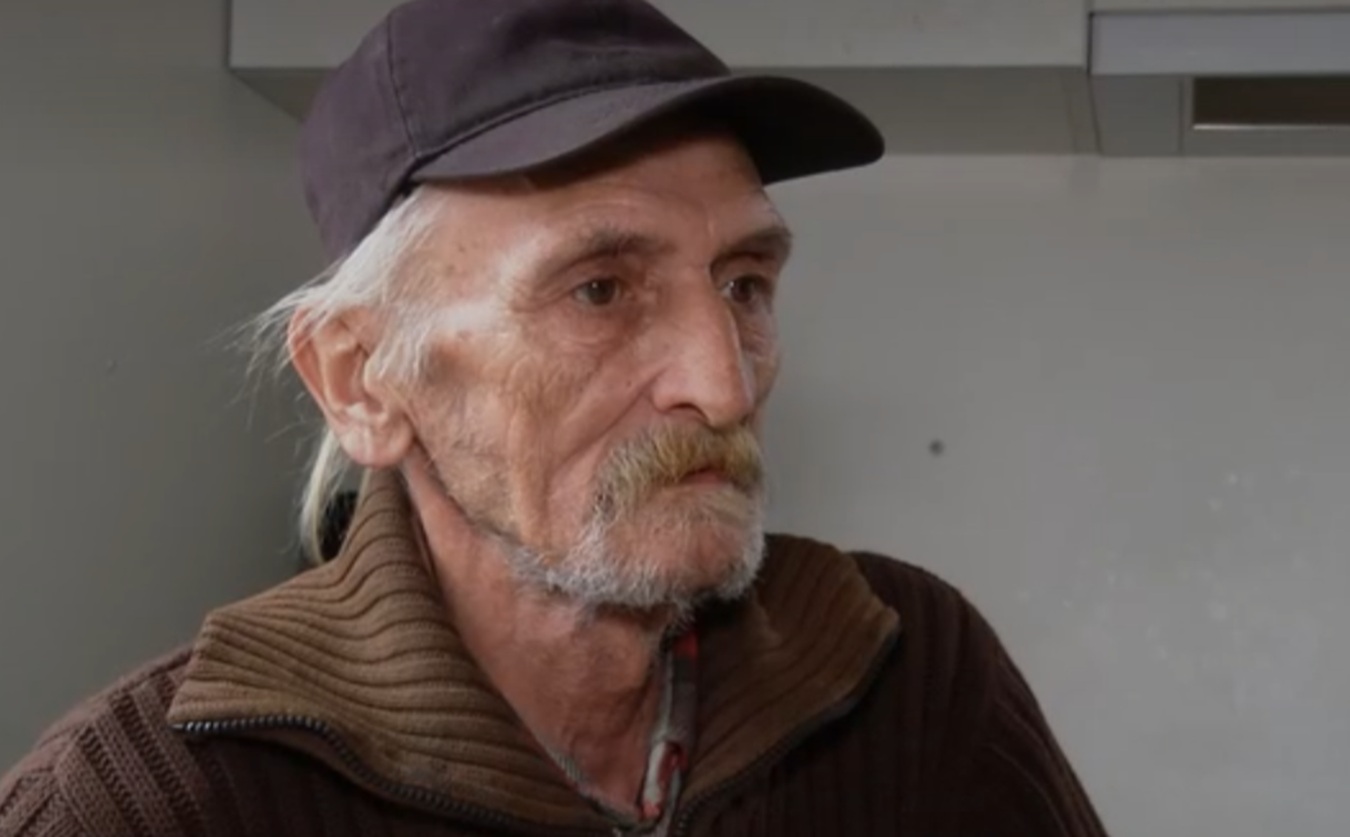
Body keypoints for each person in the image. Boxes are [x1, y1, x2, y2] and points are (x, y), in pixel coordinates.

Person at [0, 1, 1108, 834]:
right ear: (361, 379)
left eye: (744, 284)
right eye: (600, 290)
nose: (724, 387)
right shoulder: (139, 804)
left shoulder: (914, 678)